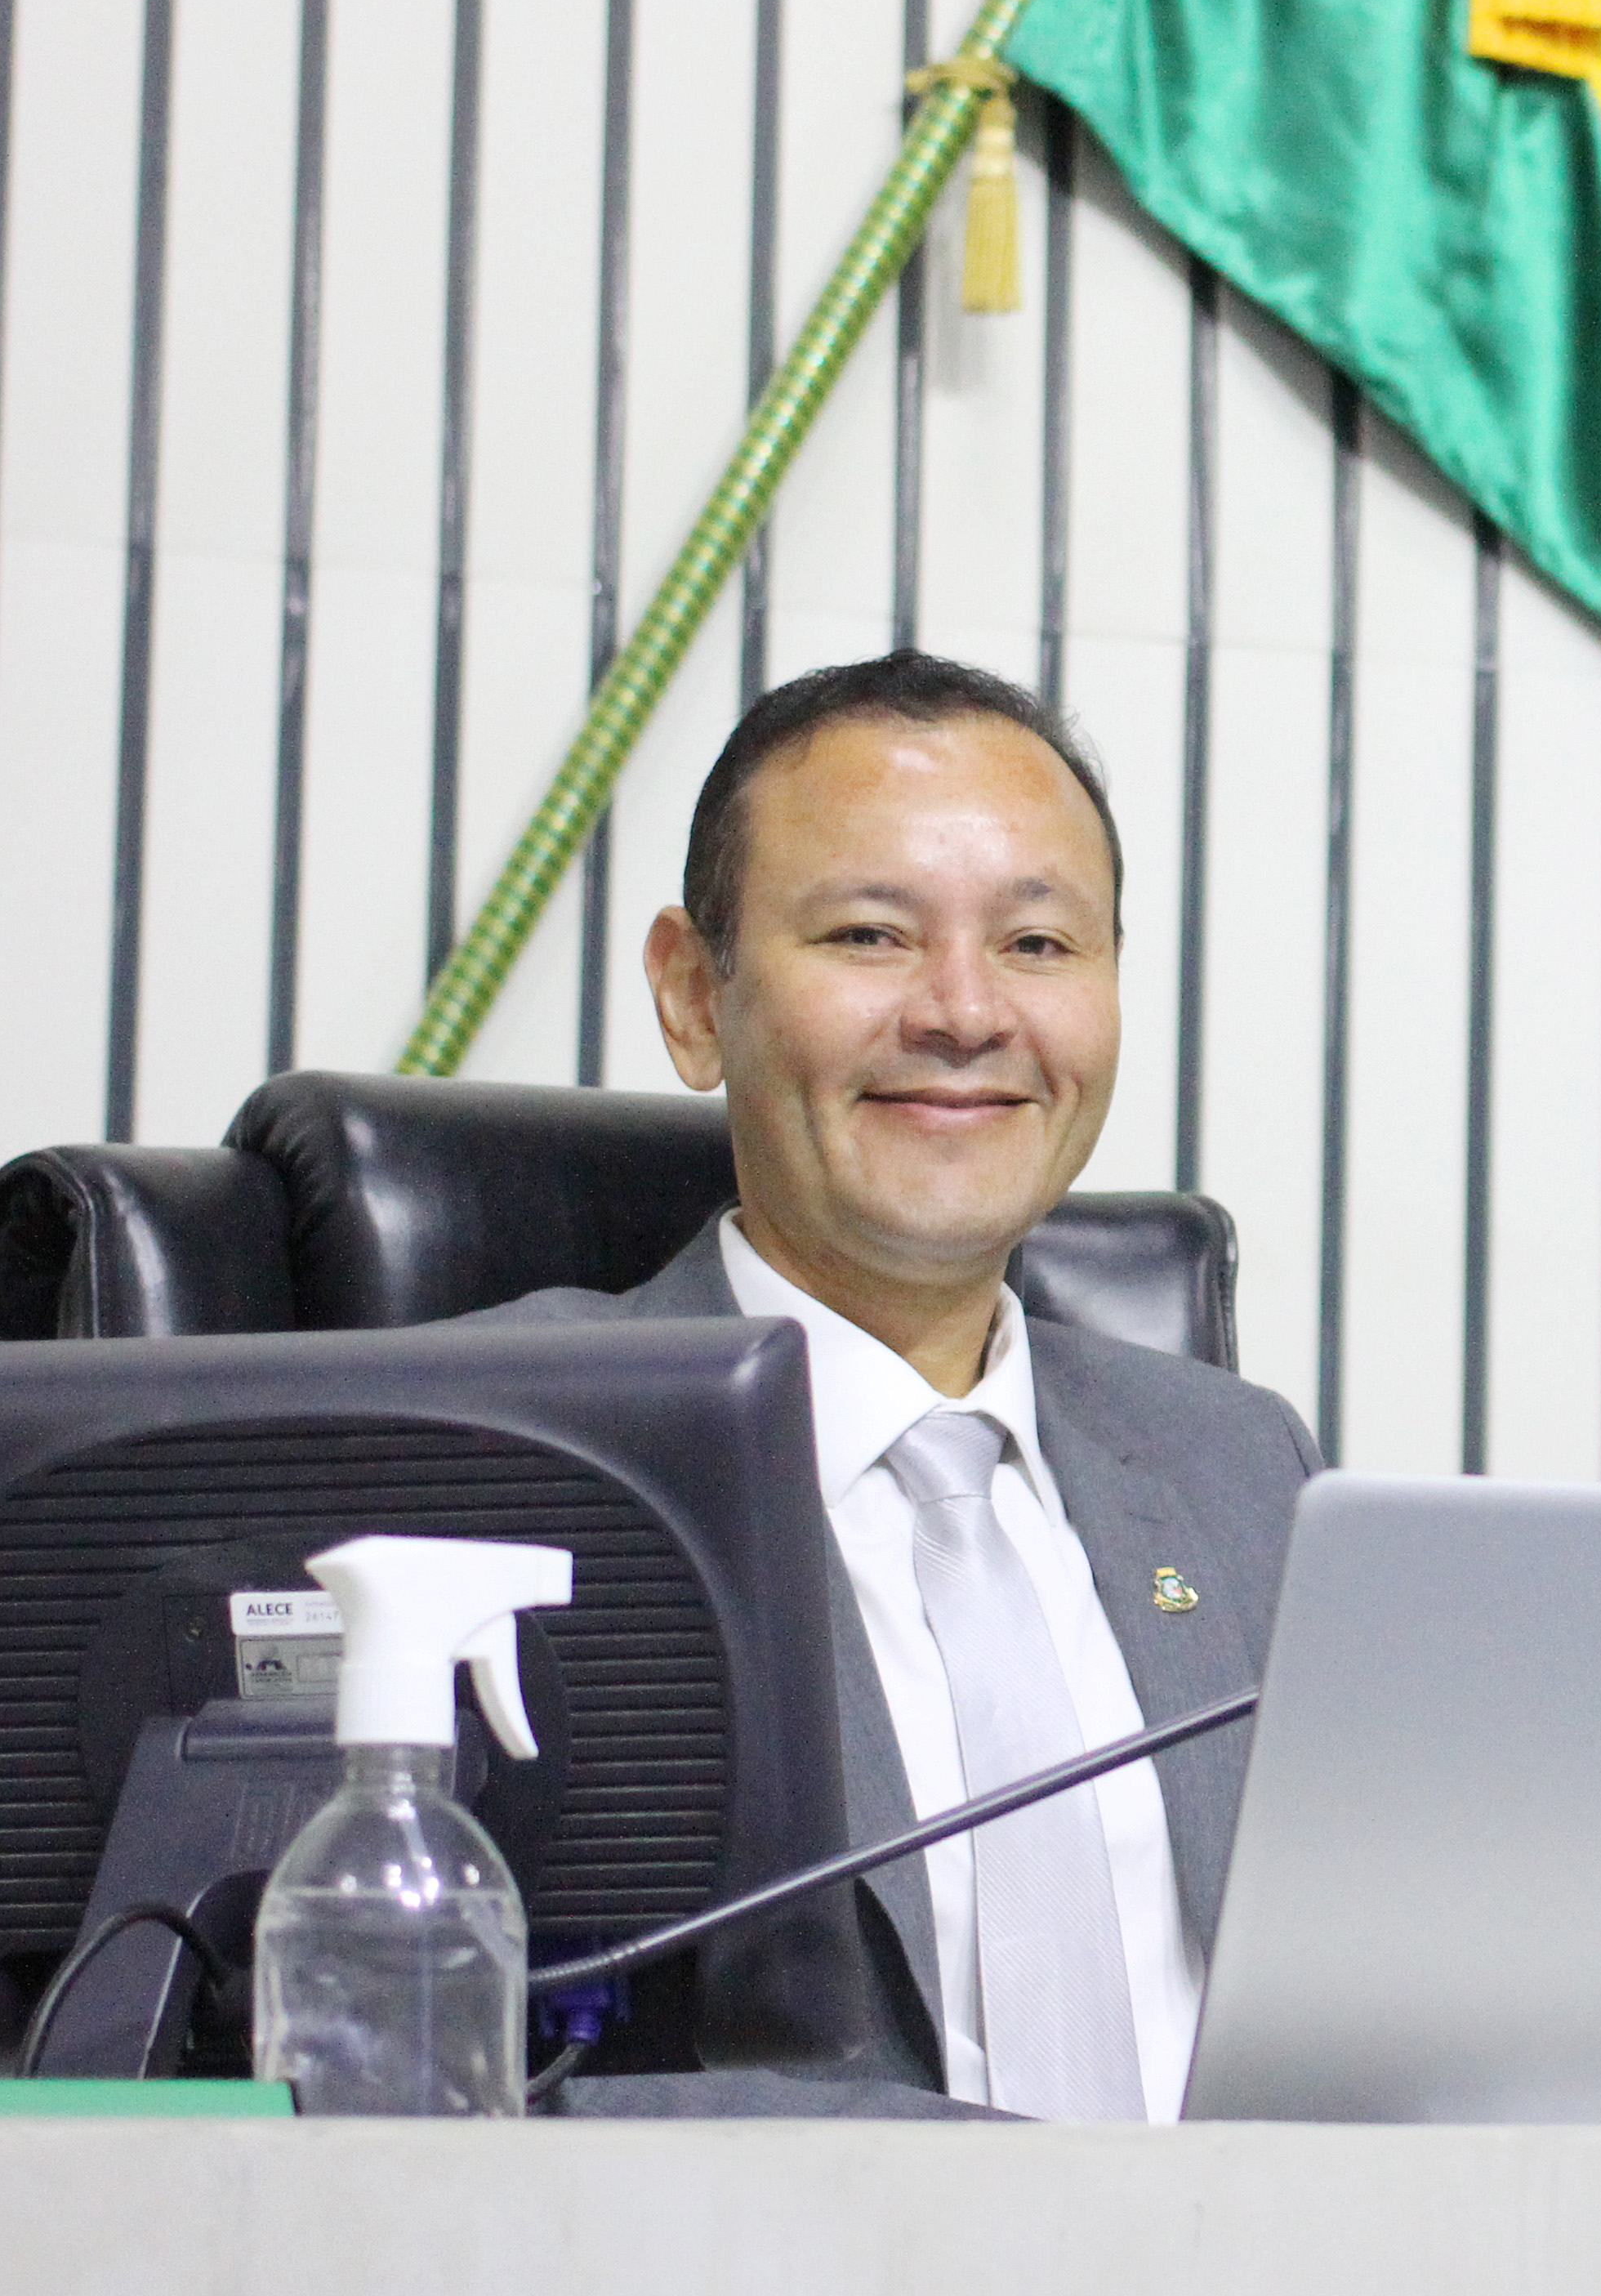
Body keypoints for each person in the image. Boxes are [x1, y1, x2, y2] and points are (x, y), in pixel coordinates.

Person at [482, 651, 1321, 2119]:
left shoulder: (1241, 1467)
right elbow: (410, 2085)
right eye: (871, 935)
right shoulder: (501, 1457)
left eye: (1040, 947)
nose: (965, 1013)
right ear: (694, 997)